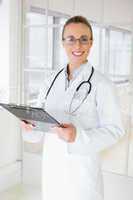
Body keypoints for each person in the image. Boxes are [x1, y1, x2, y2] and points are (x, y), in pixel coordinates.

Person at [22, 16, 125, 200]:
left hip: (82, 171)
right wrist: (30, 126)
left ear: (91, 43)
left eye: (83, 39)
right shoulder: (50, 81)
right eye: (70, 39)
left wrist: (78, 137)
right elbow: (39, 122)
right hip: (53, 167)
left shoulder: (102, 84)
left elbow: (115, 130)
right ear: (62, 43)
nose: (77, 46)